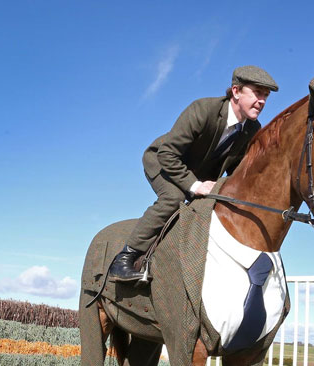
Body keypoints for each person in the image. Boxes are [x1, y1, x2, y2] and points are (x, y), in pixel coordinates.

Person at [108, 65, 279, 281]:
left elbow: (237, 169)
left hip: (197, 175)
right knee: (174, 198)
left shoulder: (252, 129)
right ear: (236, 91)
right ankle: (124, 258)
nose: (262, 101)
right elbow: (168, 153)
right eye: (257, 93)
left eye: (266, 95)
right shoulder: (203, 109)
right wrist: (196, 186)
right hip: (163, 161)